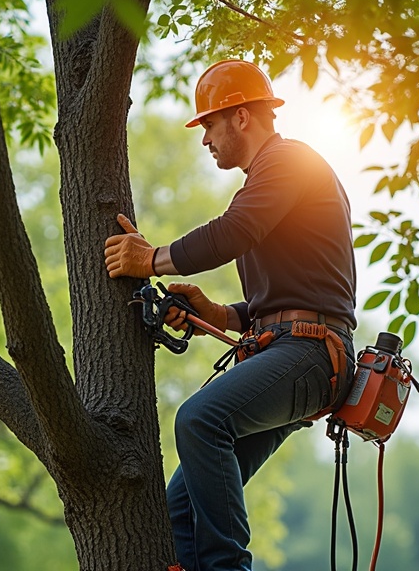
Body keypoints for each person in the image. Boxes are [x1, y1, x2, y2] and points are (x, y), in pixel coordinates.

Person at [104, 59, 357, 571]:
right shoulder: (270, 180)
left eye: (210, 125)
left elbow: (232, 232)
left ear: (241, 117)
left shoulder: (290, 162)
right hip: (288, 351)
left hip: (310, 354)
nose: (205, 140)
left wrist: (150, 259)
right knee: (178, 514)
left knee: (200, 419)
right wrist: (220, 314)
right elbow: (288, 293)